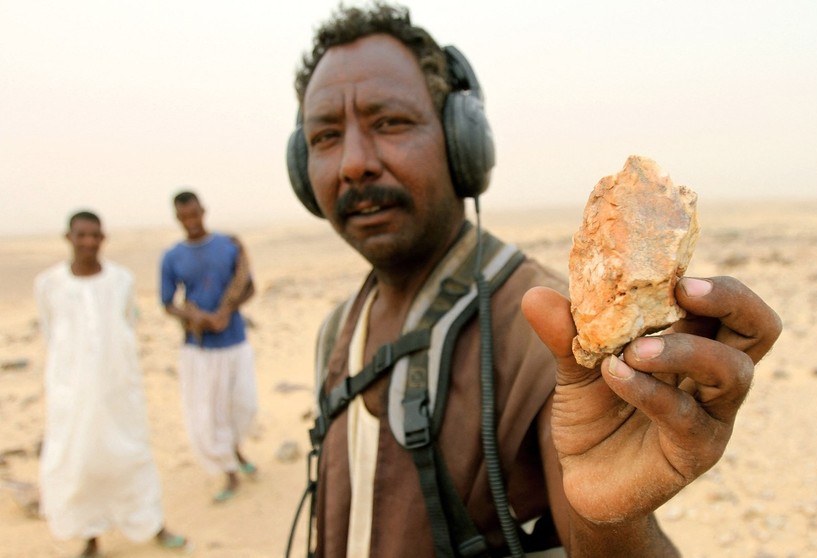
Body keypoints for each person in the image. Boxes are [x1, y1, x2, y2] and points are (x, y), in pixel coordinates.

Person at [285, 4, 783, 558]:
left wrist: (613, 522)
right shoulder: (338, 331)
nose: (354, 162)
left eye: (390, 123)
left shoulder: (548, 333)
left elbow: (600, 517)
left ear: (461, 141)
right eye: (325, 136)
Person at [34, 210, 188, 557]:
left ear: (103, 239)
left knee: (130, 456)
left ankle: (151, 523)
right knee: (79, 461)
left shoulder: (122, 280)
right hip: (72, 396)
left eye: (95, 235)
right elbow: (51, 333)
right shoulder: (49, 284)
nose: (89, 242)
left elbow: (126, 328)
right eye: (82, 235)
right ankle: (91, 535)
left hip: (118, 393)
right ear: (69, 238)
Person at [160, 191, 259, 503]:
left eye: (194, 214)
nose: (191, 222)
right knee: (210, 411)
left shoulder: (229, 246)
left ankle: (236, 449)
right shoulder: (172, 256)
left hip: (235, 342)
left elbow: (249, 287)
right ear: (177, 218)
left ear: (203, 210)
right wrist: (195, 317)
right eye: (183, 217)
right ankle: (229, 470)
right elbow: (167, 303)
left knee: (243, 405)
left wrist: (226, 312)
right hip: (199, 349)